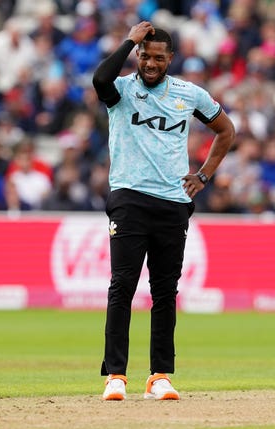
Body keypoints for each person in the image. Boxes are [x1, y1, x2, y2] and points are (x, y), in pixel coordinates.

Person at [92, 22, 235, 401]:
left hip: (172, 203)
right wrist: (129, 41)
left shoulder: (188, 94)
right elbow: (99, 77)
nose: (150, 63)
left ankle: (159, 376)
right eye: (145, 56)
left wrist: (203, 175)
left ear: (170, 59)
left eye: (158, 57)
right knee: (122, 286)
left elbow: (227, 131)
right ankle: (115, 376)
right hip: (129, 198)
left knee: (165, 292)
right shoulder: (121, 90)